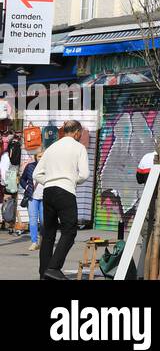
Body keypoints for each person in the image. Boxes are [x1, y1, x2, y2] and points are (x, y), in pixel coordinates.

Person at [34, 120, 89, 280]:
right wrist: (71, 180)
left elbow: (36, 174)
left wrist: (51, 180)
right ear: (77, 132)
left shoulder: (51, 148)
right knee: (69, 231)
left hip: (48, 191)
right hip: (65, 191)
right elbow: (84, 174)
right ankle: (54, 267)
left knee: (48, 234)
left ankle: (44, 274)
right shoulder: (79, 148)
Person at [20, 148, 43, 252]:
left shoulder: (49, 168)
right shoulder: (30, 166)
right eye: (39, 156)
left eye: (43, 156)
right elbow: (22, 179)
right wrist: (26, 187)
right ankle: (34, 242)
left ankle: (42, 240)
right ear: (35, 157)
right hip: (32, 197)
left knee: (43, 221)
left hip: (45, 198)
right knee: (33, 220)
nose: (41, 158)